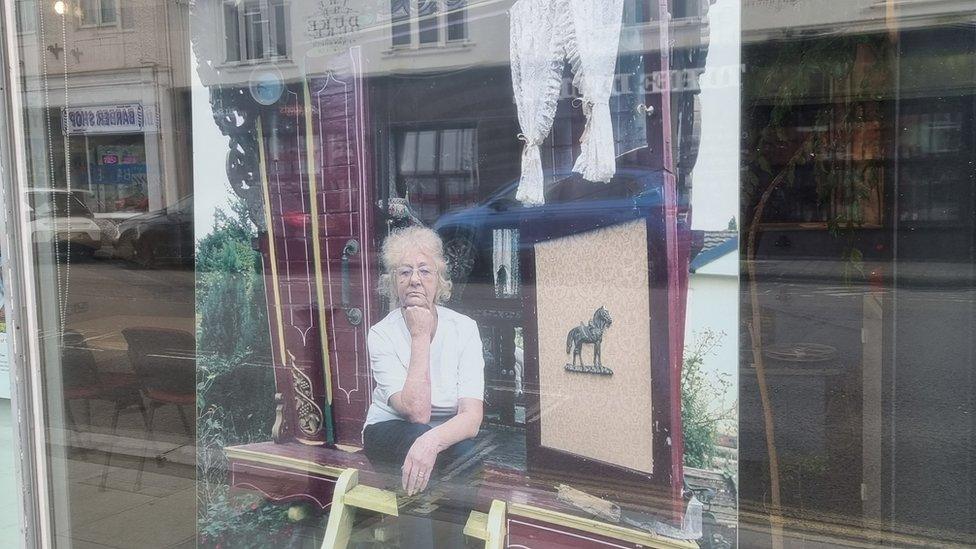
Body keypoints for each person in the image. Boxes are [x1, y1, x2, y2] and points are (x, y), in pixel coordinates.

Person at [363, 225, 485, 498]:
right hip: (389, 430)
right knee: (414, 442)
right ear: (394, 283)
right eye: (405, 272)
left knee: (468, 455)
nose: (415, 280)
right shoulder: (381, 334)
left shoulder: (464, 329)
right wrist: (419, 335)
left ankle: (452, 540)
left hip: (438, 431)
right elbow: (416, 413)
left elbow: (472, 417)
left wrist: (431, 442)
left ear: (439, 281)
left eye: (425, 271)